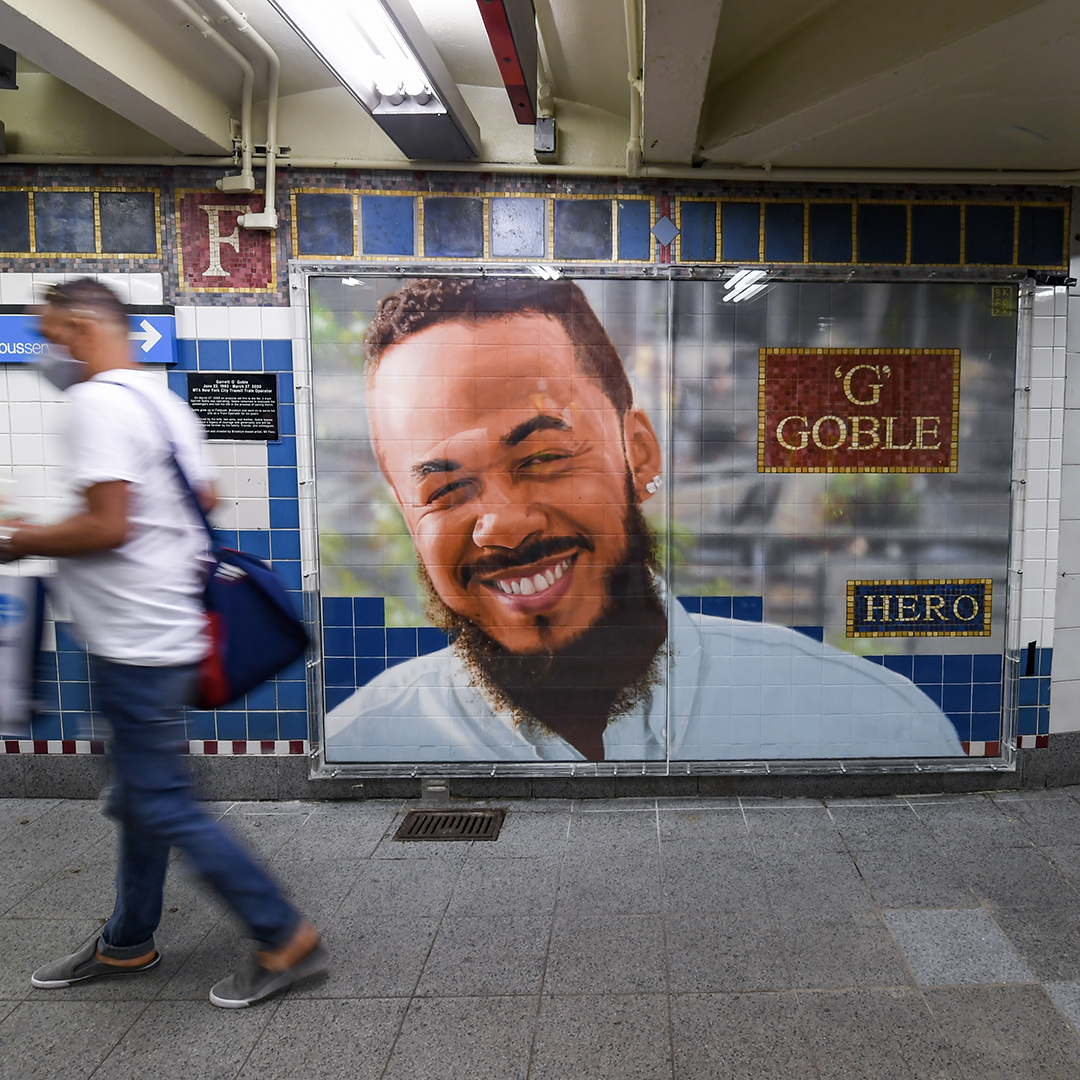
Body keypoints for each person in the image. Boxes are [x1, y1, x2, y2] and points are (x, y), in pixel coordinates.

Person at [324, 277, 965, 762]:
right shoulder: (365, 745)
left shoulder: (870, 728)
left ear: (639, 454)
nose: (504, 525)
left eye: (544, 456)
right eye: (445, 489)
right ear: (409, 517)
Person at [0, 279, 326, 1008]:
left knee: (161, 801)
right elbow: (199, 500)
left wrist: (18, 538)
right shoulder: (161, 401)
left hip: (135, 641)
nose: (50, 352)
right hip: (161, 630)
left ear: (86, 326)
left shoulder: (94, 405)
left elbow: (109, 525)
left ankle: (283, 935)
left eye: (54, 335)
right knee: (139, 797)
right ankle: (128, 939)